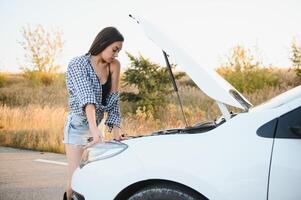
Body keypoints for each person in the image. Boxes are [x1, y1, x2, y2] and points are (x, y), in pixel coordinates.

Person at [63, 27, 125, 200]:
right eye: (114, 49)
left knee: (92, 177)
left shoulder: (114, 66)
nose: (116, 54)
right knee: (75, 180)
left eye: (119, 51)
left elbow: (113, 99)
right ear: (103, 43)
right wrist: (93, 128)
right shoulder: (78, 64)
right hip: (78, 126)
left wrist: (116, 128)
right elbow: (87, 97)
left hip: (96, 127)